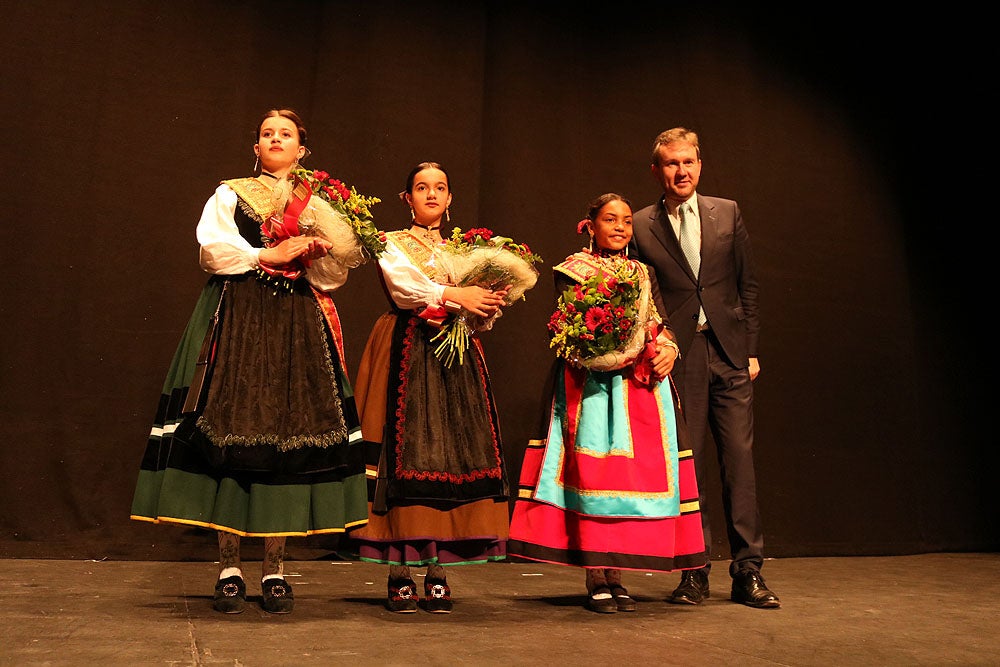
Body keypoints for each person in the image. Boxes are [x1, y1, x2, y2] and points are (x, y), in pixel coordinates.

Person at [130, 108, 370, 615]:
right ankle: (230, 567)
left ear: (302, 149)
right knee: (231, 430)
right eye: (267, 134)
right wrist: (269, 255)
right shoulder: (232, 193)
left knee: (287, 432)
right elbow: (213, 252)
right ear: (255, 148)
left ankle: (277, 568)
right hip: (239, 315)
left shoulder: (320, 203)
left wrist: (319, 252)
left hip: (297, 325)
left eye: (285, 134)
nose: (275, 139)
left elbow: (331, 279)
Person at [507, 193, 707, 614]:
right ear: (590, 226)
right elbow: (575, 325)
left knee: (631, 480)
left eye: (627, 222)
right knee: (592, 476)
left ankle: (617, 574)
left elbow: (661, 319)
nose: (619, 227)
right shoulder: (572, 271)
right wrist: (618, 348)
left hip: (639, 390)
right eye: (610, 220)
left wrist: (669, 346)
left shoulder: (643, 271)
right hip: (591, 385)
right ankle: (595, 574)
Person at [346, 162, 511, 614]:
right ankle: (399, 572)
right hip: (406, 345)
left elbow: (478, 314)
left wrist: (488, 303)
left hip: (455, 356)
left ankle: (438, 570)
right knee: (406, 451)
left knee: (450, 452)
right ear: (407, 198)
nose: (431, 194)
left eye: (440, 187)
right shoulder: (392, 243)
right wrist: (456, 296)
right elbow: (405, 290)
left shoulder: (469, 250)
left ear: (451, 197)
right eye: (421, 188)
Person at [630, 127, 779, 608]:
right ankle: (693, 570)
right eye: (671, 163)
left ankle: (748, 572)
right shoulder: (641, 223)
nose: (682, 171)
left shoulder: (727, 212)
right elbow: (640, 297)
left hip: (730, 353)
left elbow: (747, 285)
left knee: (739, 462)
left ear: (700, 164)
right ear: (657, 170)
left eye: (688, 162)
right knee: (685, 467)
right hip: (680, 358)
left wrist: (750, 349)